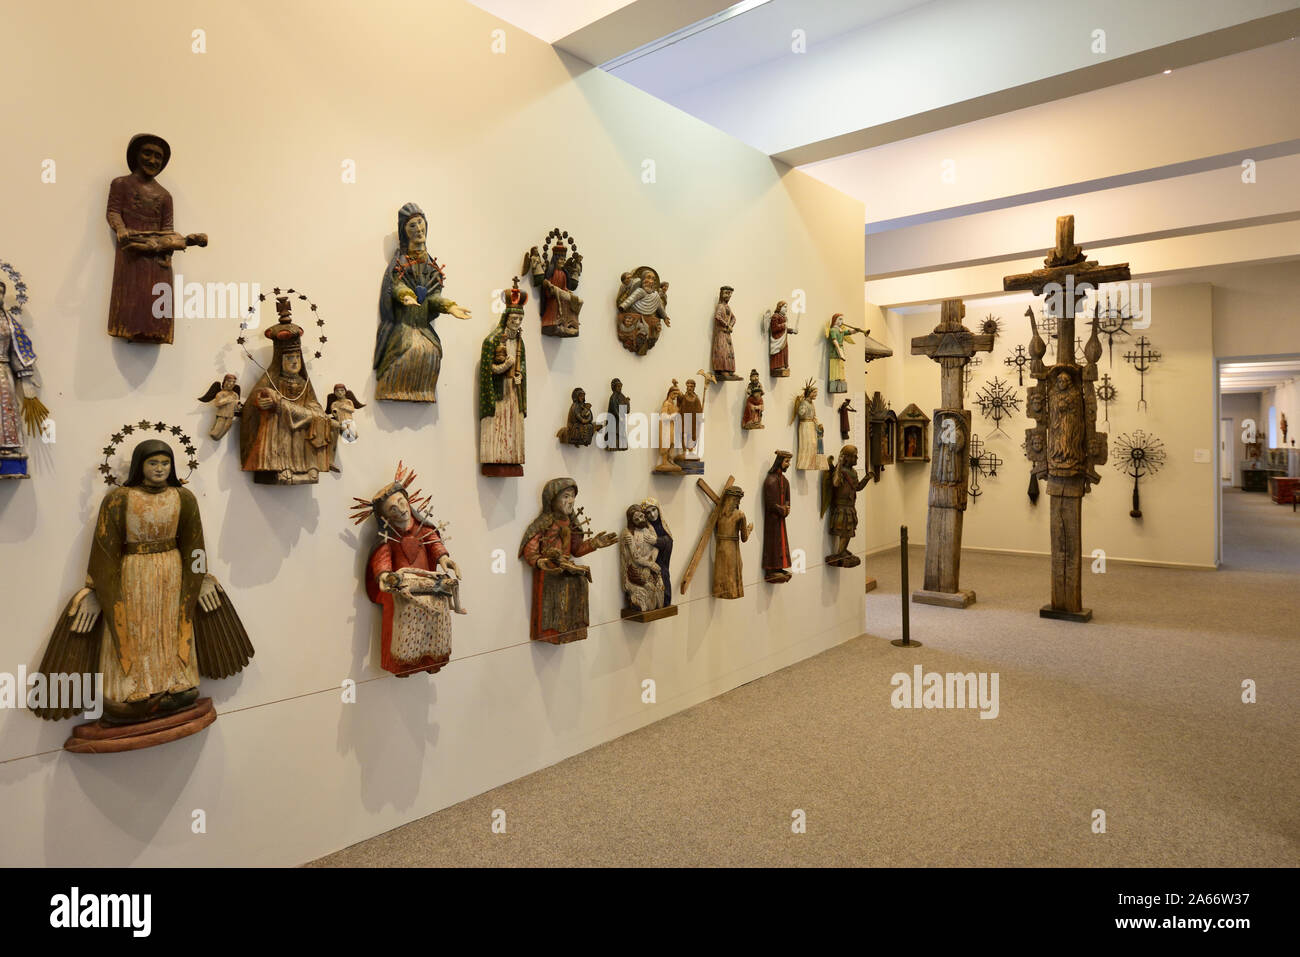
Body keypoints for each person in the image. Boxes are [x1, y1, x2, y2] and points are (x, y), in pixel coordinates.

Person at [32, 439, 253, 724]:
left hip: (172, 573)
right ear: (140, 465)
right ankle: (130, 691)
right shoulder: (118, 498)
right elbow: (105, 549)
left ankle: (177, 684)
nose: (160, 469)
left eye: (165, 463)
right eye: (153, 463)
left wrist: (200, 578)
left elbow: (194, 546)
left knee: (170, 626)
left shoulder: (183, 498)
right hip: (132, 574)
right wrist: (96, 589)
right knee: (135, 628)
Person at [360, 467, 464, 677]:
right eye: (392, 510)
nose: (400, 511)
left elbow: (434, 544)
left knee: (434, 627)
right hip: (405, 591)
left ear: (408, 501)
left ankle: (432, 660)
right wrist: (384, 576)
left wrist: (445, 558)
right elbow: (382, 557)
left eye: (401, 503)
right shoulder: (388, 537)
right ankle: (403, 665)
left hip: (429, 586)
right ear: (384, 516)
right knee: (405, 631)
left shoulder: (422, 527)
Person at [105, 133, 207, 343]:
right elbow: (113, 211)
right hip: (132, 251)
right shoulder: (121, 184)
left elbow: (167, 229)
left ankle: (155, 331)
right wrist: (121, 229)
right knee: (133, 296)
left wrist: (171, 247)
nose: (153, 160)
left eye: (158, 156)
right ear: (136, 155)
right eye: (147, 153)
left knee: (155, 299)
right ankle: (129, 328)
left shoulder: (164, 196)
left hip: (157, 255)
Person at [374, 202, 471, 401]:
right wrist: (405, 295)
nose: (418, 229)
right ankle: (393, 389)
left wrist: (450, 307)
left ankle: (422, 392)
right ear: (404, 232)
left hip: (422, 325)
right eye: (412, 225)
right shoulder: (401, 263)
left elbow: (433, 298)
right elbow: (396, 285)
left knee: (433, 350)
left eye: (420, 223)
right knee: (410, 349)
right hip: (405, 325)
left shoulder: (432, 268)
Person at [239, 297, 338, 484]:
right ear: (280, 361)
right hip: (279, 429)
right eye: (289, 358)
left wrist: (315, 413)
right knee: (278, 420)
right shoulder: (271, 380)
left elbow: (313, 403)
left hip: (300, 423)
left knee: (318, 420)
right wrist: (260, 403)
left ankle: (308, 468)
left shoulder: (303, 382)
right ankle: (280, 467)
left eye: (296, 358)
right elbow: (256, 398)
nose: (294, 361)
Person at [518, 478, 617, 643]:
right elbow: (531, 549)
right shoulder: (544, 522)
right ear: (552, 498)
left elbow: (576, 550)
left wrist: (594, 544)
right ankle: (552, 631)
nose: (571, 501)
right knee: (556, 600)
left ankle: (572, 629)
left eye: (572, 496)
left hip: (566, 568)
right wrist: (539, 561)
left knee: (580, 582)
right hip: (550, 572)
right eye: (565, 496)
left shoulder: (572, 523)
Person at [0, 279, 47, 478]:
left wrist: (26, 381)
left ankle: (6, 449)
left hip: (1, 372)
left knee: (5, 410)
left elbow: (20, 352)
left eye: (1, 292)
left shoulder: (9, 323)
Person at [479, 283, 527, 475]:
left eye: (520, 318)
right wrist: (505, 367)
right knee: (498, 425)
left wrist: (520, 374)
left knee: (513, 423)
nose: (517, 322)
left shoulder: (520, 341)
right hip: (499, 391)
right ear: (506, 318)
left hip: (514, 390)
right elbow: (487, 369)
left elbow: (521, 364)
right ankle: (496, 454)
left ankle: (512, 455)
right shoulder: (492, 341)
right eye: (514, 318)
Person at [619, 505, 665, 613]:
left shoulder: (649, 528)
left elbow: (656, 547)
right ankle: (638, 601)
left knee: (660, 589)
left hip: (649, 565)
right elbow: (635, 557)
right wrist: (649, 565)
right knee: (649, 591)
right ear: (631, 521)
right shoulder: (628, 533)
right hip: (635, 569)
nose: (640, 520)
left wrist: (650, 564)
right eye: (636, 519)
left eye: (641, 516)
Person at [711, 486, 751, 599]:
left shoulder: (718, 514)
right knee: (732, 574)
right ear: (734, 500)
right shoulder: (740, 515)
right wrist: (749, 529)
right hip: (732, 549)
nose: (738, 502)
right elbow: (744, 538)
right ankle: (731, 593)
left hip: (720, 548)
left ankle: (720, 591)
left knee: (721, 573)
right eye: (738, 499)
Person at [763, 450, 793, 583]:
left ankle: (780, 566)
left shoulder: (785, 481)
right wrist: (781, 509)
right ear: (780, 462)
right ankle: (772, 567)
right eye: (786, 461)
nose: (788, 464)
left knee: (781, 542)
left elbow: (787, 499)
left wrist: (787, 508)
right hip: (773, 519)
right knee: (773, 543)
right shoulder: (771, 480)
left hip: (780, 519)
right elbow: (770, 503)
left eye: (788, 462)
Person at [711, 286, 741, 380]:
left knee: (729, 352)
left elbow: (734, 318)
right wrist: (727, 325)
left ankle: (729, 370)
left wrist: (731, 325)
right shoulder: (720, 306)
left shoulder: (727, 307)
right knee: (722, 351)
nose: (729, 296)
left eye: (730, 294)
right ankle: (722, 369)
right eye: (727, 293)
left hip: (727, 333)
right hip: (721, 333)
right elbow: (718, 317)